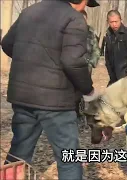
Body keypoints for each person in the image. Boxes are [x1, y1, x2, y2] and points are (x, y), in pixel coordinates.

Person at [1, 0, 100, 179]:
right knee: (68, 158)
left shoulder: (29, 11)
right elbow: (72, 61)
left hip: (23, 96)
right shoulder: (74, 18)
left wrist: (31, 61)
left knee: (18, 152)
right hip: (56, 101)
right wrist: (88, 90)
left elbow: (7, 44)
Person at [76, 10, 101, 122]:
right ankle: (74, 115)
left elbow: (96, 50)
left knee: (84, 93)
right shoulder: (70, 31)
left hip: (86, 69)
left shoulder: (91, 33)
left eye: (83, 19)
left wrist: (91, 62)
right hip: (72, 67)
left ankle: (83, 117)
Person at [103, 10, 127, 86]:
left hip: (125, 74)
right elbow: (107, 55)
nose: (114, 24)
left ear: (120, 20)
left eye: (116, 21)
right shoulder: (108, 35)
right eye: (111, 22)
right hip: (113, 74)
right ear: (108, 22)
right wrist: (110, 71)